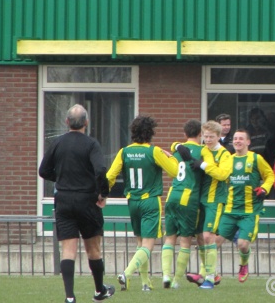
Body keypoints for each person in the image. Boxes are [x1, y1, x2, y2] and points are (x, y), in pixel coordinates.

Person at [38, 104, 115, 303]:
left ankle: (70, 297)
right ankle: (99, 291)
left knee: (68, 251)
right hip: (87, 201)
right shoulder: (91, 144)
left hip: (63, 200)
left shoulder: (57, 143)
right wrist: (103, 193)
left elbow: (43, 171)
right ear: (86, 123)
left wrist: (63, 178)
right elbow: (100, 170)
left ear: (66, 122)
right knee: (93, 249)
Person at [107, 116, 181, 292]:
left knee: (140, 243)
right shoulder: (154, 151)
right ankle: (126, 273)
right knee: (149, 244)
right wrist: (170, 157)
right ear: (151, 133)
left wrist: (102, 193)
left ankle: (146, 283)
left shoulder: (124, 152)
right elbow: (175, 171)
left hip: (132, 201)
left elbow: (110, 176)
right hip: (150, 201)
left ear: (133, 132)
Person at [161, 119, 218, 289]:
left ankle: (165, 275)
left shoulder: (178, 150)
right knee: (185, 241)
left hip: (172, 196)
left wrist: (176, 145)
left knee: (169, 237)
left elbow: (172, 148)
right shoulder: (203, 150)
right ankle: (176, 280)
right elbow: (211, 167)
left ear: (184, 134)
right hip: (189, 198)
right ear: (200, 134)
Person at [214, 129, 275, 283]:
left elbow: (270, 175)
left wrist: (264, 188)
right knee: (214, 242)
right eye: (235, 139)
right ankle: (211, 273)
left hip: (249, 211)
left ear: (248, 142)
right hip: (229, 210)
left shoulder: (256, 158)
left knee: (242, 244)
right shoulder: (228, 160)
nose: (237, 141)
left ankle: (244, 264)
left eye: (241, 139)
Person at [185, 120, 233, 289]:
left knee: (208, 236)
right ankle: (206, 273)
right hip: (200, 199)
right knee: (199, 237)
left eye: (211, 137)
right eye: (205, 136)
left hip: (215, 200)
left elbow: (222, 174)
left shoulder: (225, 155)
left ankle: (210, 278)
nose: (208, 139)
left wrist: (204, 165)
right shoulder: (203, 150)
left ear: (219, 137)